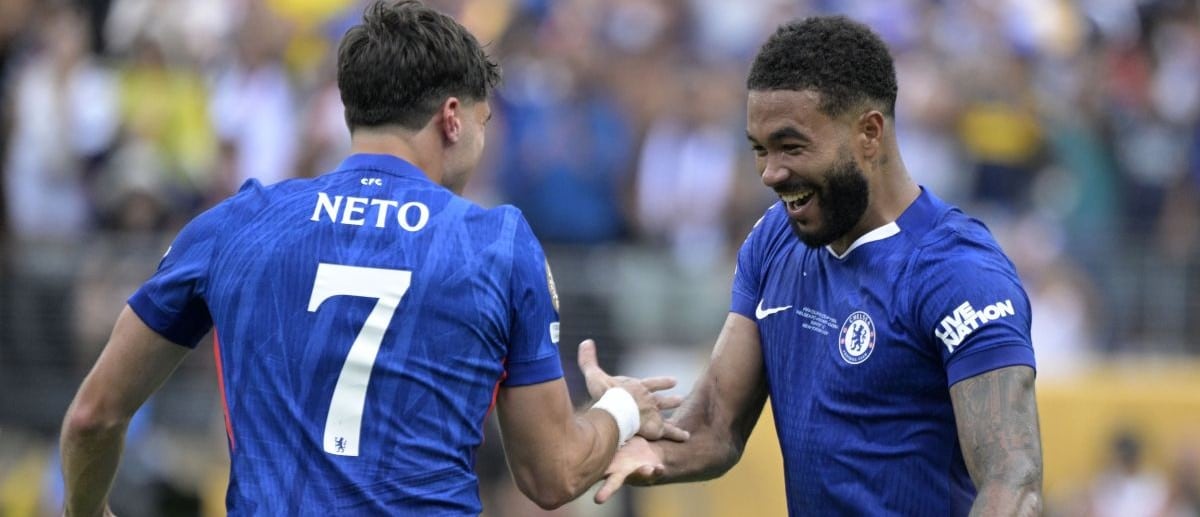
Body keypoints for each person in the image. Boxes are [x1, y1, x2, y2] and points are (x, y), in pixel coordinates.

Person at [59, 1, 685, 515]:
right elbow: (551, 476)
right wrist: (622, 408)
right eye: (485, 119)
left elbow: (93, 416)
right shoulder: (494, 241)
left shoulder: (237, 222)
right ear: (452, 119)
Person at [588, 15, 1043, 516]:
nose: (769, 173)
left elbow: (1011, 482)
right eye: (759, 149)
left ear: (869, 133)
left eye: (791, 146)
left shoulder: (957, 272)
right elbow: (716, 424)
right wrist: (619, 436)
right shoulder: (774, 239)